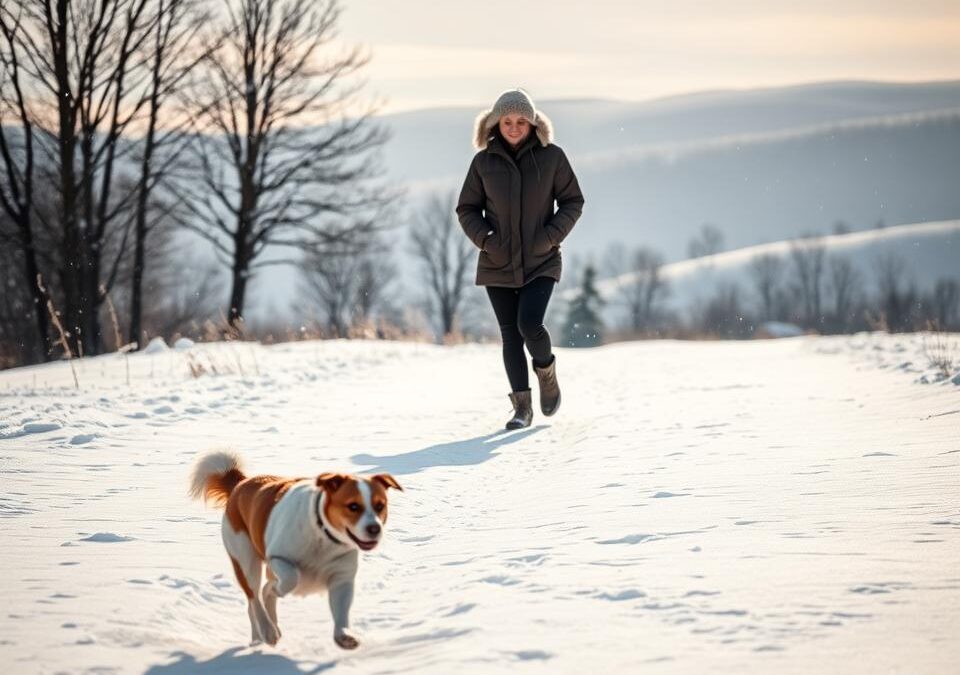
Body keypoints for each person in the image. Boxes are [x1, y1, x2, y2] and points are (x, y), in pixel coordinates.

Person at [456, 89, 584, 430]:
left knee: (530, 324)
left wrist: (549, 237)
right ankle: (521, 409)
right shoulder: (483, 163)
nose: (514, 127)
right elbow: (467, 209)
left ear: (533, 123)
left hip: (541, 259)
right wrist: (487, 241)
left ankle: (546, 370)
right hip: (497, 261)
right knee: (511, 334)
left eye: (521, 121)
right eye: (507, 121)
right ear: (496, 123)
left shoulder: (552, 157)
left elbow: (573, 201)